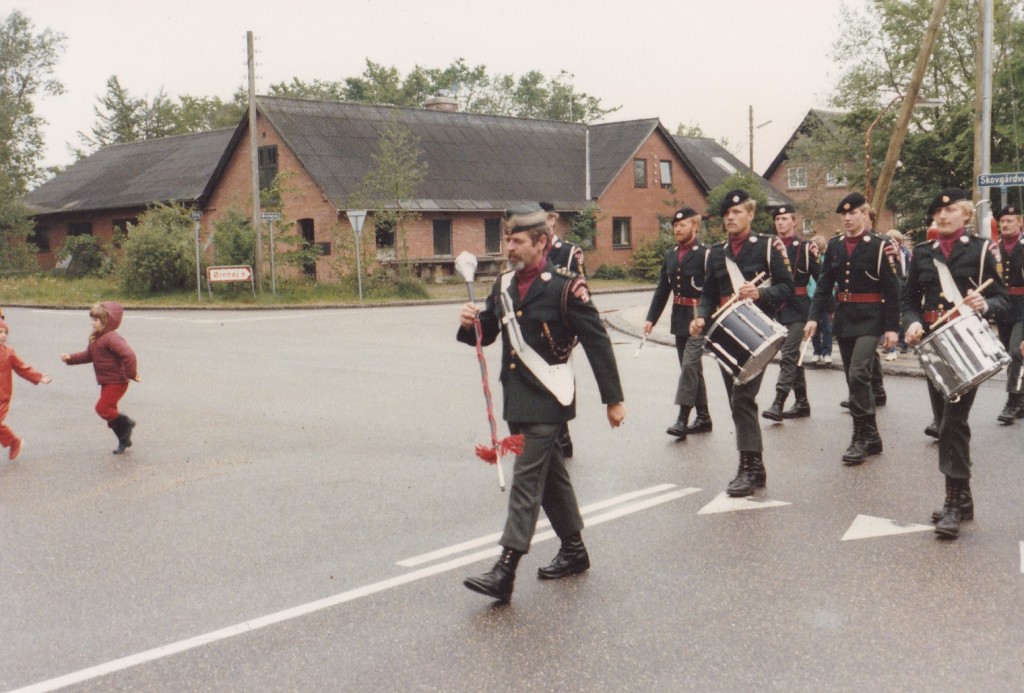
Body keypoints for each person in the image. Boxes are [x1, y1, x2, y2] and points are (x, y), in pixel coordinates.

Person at [457, 203, 625, 603]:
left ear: (541, 242)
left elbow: (597, 341)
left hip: (549, 399)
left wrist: (613, 399)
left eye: (516, 241)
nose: (509, 247)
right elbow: (489, 332)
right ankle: (574, 551)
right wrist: (470, 324)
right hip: (518, 398)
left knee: (527, 481)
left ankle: (505, 569)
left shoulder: (566, 286)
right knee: (551, 479)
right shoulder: (503, 286)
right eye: (508, 240)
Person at [902, 188, 1008, 539]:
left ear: (965, 215)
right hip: (933, 345)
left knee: (952, 421)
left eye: (950, 212)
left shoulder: (980, 251)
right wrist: (912, 323)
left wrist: (985, 304)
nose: (943, 217)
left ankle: (952, 502)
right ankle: (963, 497)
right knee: (947, 422)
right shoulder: (921, 254)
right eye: (938, 213)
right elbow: (908, 302)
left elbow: (1004, 300)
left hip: (967, 344)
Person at [691, 189, 794, 496]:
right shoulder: (717, 252)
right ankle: (754, 466)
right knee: (737, 402)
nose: (731, 218)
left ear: (750, 215)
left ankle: (748, 468)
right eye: (727, 214)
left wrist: (760, 294)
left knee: (742, 398)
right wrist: (701, 317)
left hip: (756, 332)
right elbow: (709, 293)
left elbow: (788, 286)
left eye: (737, 213)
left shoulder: (766, 247)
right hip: (726, 333)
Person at [805, 192, 900, 466]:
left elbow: (893, 290)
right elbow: (823, 285)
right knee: (852, 378)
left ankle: (860, 437)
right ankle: (872, 436)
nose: (847, 218)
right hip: (845, 318)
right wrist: (813, 317)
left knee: (859, 373)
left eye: (853, 213)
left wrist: (892, 328)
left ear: (864, 214)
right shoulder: (835, 246)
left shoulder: (880, 245)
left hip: (872, 319)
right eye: (844, 214)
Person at [643, 207, 712, 439]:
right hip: (680, 316)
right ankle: (704, 417)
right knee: (691, 367)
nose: (677, 229)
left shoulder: (705, 254)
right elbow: (663, 289)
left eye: (682, 225)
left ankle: (683, 419)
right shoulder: (671, 254)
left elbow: (713, 289)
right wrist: (651, 318)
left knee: (689, 367)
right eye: (675, 226)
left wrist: (707, 314)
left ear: (695, 226)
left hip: (699, 317)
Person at [763, 204, 819, 421]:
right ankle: (802, 402)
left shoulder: (805, 248)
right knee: (793, 356)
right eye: (777, 219)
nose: (780, 223)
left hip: (798, 309)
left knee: (788, 355)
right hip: (775, 309)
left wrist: (826, 311)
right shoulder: (770, 247)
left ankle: (778, 402)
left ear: (794, 222)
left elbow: (821, 279)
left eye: (785, 219)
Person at [61, 302, 139, 455]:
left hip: (117, 381)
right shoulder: (96, 338)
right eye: (92, 319)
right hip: (107, 381)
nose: (92, 322)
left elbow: (129, 355)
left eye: (96, 320)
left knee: (102, 408)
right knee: (110, 413)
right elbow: (88, 355)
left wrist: (131, 373)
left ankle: (127, 424)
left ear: (106, 321)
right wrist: (70, 358)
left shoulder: (111, 338)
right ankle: (124, 439)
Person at [540, 201, 585, 457]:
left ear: (553, 220)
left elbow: (580, 290)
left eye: (545, 220)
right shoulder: (529, 251)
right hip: (535, 328)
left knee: (559, 381)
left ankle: (563, 436)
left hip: (560, 329)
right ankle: (556, 436)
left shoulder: (568, 252)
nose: (541, 225)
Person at [0, 319, 52, 460]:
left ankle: (14, 441)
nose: (4, 335)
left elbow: (22, 368)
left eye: (5, 332)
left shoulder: (9, 353)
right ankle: (12, 440)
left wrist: (39, 376)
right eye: (0, 332)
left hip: (2, 395)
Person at [992, 203, 1024, 424]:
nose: (1005, 224)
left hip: (1023, 306)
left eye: (1010, 221)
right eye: (1002, 221)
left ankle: (1012, 401)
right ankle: (1021, 397)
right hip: (1004, 307)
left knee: (1015, 351)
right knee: (1010, 355)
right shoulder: (995, 248)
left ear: (1020, 223)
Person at [807, 234, 835, 366]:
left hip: (825, 298)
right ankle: (816, 352)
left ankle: (827, 352)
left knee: (827, 327)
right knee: (815, 327)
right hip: (812, 297)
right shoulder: (809, 259)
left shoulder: (825, 259)